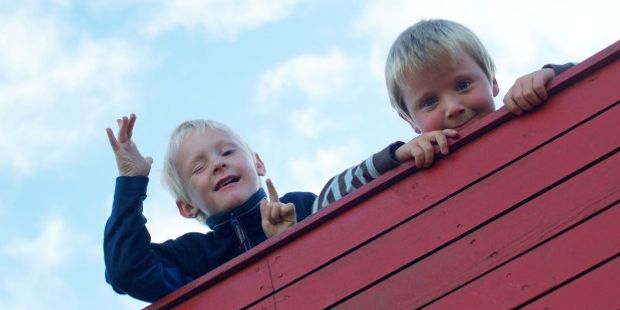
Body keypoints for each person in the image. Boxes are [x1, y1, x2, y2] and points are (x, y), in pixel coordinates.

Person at [313, 19, 574, 211]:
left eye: (463, 85)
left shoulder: (521, 112)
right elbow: (322, 202)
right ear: (410, 121)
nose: (453, 108)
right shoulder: (416, 164)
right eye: (429, 101)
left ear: (493, 81)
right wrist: (394, 157)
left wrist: (549, 76)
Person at [103, 115, 316, 302]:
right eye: (199, 167)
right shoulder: (193, 258)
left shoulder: (300, 206)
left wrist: (290, 241)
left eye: (227, 152)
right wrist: (131, 182)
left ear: (258, 163)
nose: (217, 164)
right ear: (187, 206)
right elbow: (127, 270)